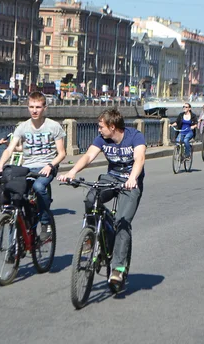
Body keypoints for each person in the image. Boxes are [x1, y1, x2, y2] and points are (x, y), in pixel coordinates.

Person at [58, 109, 146, 286]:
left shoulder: (134, 136)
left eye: (101, 126)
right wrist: (72, 172)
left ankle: (118, 269)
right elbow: (89, 155)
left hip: (130, 182)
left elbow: (140, 159)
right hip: (111, 178)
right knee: (91, 199)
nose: (99, 130)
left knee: (122, 222)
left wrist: (132, 178)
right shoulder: (102, 139)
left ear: (112, 127)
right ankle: (92, 236)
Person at [0, 92, 66, 240]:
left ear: (45, 108)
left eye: (38, 107)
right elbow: (10, 149)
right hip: (28, 167)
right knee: (11, 188)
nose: (34, 110)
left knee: (38, 187)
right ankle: (14, 230)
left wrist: (50, 165)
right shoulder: (23, 127)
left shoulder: (53, 126)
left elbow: (62, 153)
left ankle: (45, 223)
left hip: (47, 165)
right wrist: (0, 165)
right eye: (31, 107)